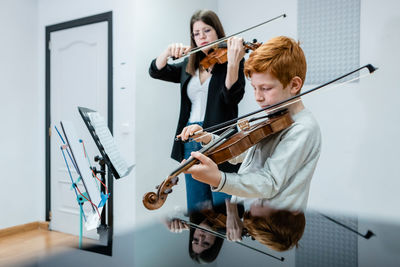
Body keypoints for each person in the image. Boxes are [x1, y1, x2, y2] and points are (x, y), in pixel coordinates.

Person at [181, 36, 322, 211]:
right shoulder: (276, 118)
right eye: (254, 88)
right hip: (252, 223)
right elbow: (244, 154)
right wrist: (207, 138)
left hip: (276, 228)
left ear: (294, 84)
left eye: (266, 88)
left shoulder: (303, 128)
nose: (258, 97)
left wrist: (219, 178)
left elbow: (269, 182)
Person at [149, 9, 246, 212]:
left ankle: (220, 243)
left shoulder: (231, 60)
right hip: (190, 136)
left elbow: (231, 97)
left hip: (219, 137)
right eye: (196, 33)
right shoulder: (189, 65)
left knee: (222, 202)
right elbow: (156, 71)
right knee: (197, 204)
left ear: (218, 31)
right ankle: (198, 240)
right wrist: (167, 52)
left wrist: (232, 63)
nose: (201, 37)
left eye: (207, 30)